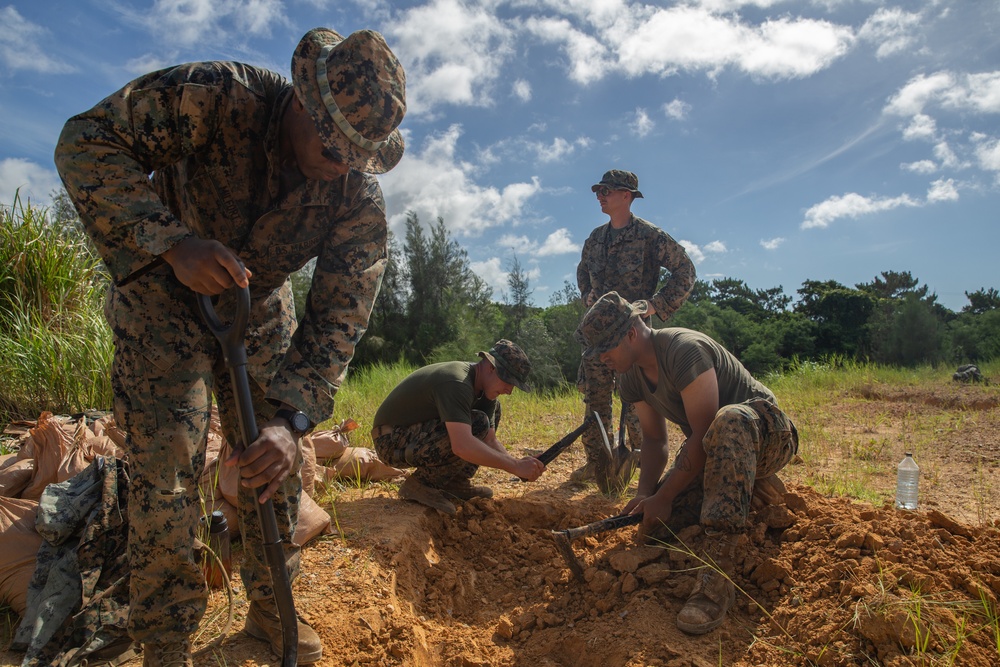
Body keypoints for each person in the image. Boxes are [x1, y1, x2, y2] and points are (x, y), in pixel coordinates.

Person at [53, 26, 406, 666]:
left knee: (278, 464)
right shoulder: (217, 96)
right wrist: (171, 241)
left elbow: (339, 318)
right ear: (302, 101)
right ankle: (165, 645)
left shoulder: (356, 196)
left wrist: (291, 422)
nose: (341, 164)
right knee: (167, 470)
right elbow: (85, 142)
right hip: (163, 289)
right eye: (333, 145)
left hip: (258, 302)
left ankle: (274, 621)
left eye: (358, 156)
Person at [575, 292, 798, 635]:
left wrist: (664, 496)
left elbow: (705, 433)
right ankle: (748, 487)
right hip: (714, 447)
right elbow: (653, 440)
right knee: (662, 528)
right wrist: (647, 494)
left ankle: (716, 579)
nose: (601, 358)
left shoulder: (683, 350)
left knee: (729, 420)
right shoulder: (630, 376)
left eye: (606, 347)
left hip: (766, 435)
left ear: (632, 334)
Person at [575, 170, 696, 494]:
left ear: (626, 195)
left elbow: (685, 270)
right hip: (599, 338)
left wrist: (657, 305)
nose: (600, 196)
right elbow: (582, 271)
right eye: (598, 191)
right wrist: (587, 294)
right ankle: (600, 465)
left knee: (637, 401)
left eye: (607, 191)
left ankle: (643, 466)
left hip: (634, 338)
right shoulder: (595, 238)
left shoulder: (649, 236)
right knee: (596, 403)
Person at [371, 340, 545, 515]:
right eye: (509, 381)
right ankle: (420, 485)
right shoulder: (457, 381)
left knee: (486, 416)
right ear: (491, 367)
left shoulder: (485, 392)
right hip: (391, 441)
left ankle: (454, 483)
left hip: (418, 436)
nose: (510, 390)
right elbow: (462, 445)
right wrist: (514, 466)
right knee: (478, 422)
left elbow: (489, 440)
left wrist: (519, 465)